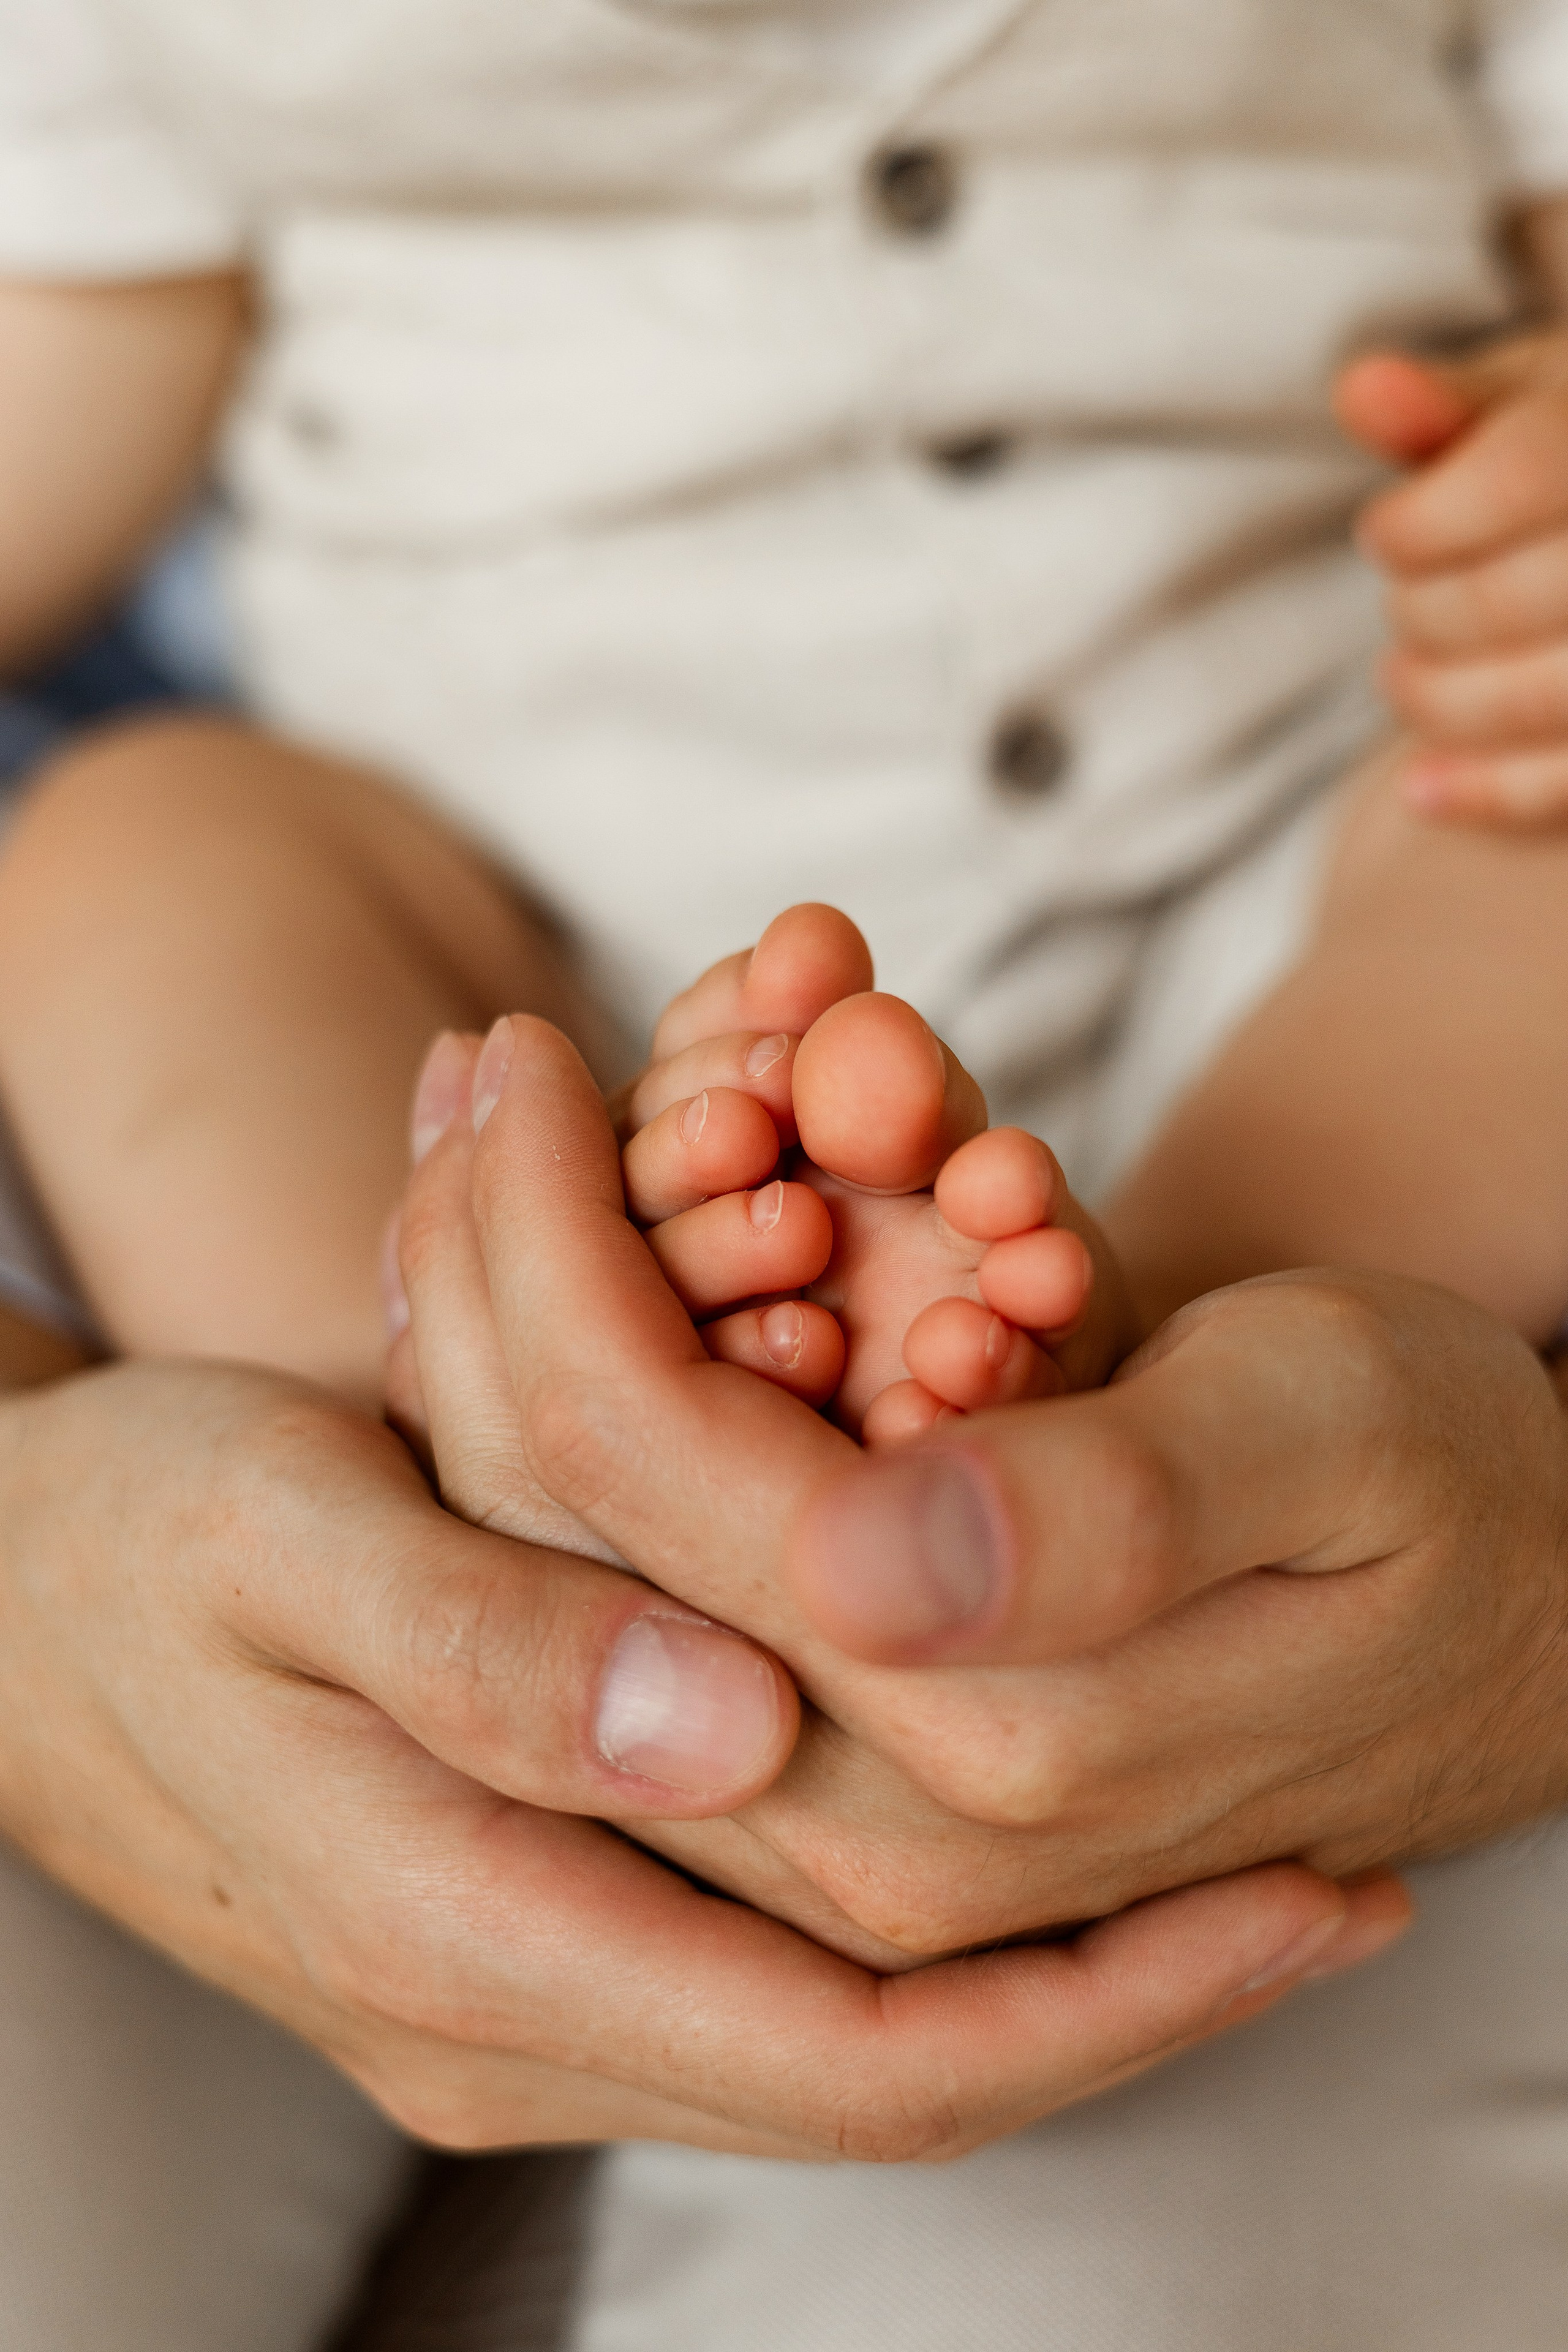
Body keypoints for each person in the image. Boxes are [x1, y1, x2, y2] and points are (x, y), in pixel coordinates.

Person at [2, 1, 1568, 2345]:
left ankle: (1186, 1353)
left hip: (1282, 860)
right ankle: (457, 1412)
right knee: (135, 858)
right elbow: (64, 363)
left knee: (1533, 850)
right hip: (479, 939)